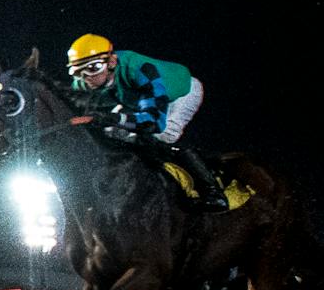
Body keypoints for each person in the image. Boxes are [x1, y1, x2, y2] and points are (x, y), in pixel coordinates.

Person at [66, 33, 226, 211]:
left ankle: (214, 193)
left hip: (179, 93)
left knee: (162, 135)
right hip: (135, 98)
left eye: (93, 68)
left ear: (111, 62)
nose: (86, 78)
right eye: (78, 72)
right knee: (114, 133)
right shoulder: (84, 82)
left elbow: (153, 122)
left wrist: (110, 118)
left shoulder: (141, 69)